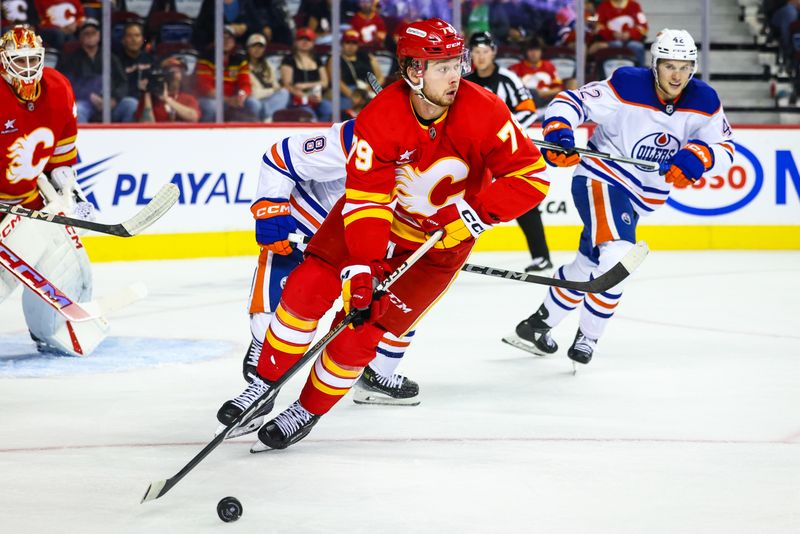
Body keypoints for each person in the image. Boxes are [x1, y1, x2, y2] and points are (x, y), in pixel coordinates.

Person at [217, 18, 550, 452]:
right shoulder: (381, 117)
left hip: (437, 248)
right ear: (414, 72)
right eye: (443, 66)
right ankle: (262, 385)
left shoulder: (485, 109)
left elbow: (530, 178)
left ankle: (308, 409)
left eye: (457, 63)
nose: (456, 76)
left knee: (361, 333)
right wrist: (363, 268)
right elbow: (367, 202)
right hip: (372, 225)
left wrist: (473, 215)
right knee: (304, 290)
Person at [505, 29, 734, 365]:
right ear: (655, 64)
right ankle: (589, 337)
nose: (677, 75)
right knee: (618, 253)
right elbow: (572, 102)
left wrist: (699, 157)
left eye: (685, 67)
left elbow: (726, 148)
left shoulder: (705, 100)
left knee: (589, 264)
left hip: (641, 196)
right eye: (670, 65)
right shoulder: (628, 84)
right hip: (601, 176)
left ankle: (536, 326)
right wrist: (559, 130)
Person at [217, 120, 422, 437]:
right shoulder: (359, 137)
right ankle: (262, 385)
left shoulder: (446, 158)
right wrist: (271, 208)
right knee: (273, 325)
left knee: (396, 302)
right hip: (306, 231)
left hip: (367, 244)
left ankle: (377, 375)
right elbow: (281, 158)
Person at [0, 25, 108, 356]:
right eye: (20, 61)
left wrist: (70, 192)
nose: (29, 68)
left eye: (34, 59)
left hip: (30, 203)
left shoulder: (59, 88)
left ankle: (50, 332)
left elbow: (59, 160)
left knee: (66, 266)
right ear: (4, 62)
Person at [464, 31, 552, 273]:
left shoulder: (507, 78)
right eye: (476, 52)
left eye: (485, 51)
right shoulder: (465, 82)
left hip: (504, 151)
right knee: (466, 200)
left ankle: (541, 256)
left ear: (493, 52)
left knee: (521, 199)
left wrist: (500, 130)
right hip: (474, 155)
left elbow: (528, 109)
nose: (480, 57)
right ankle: (452, 252)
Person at [56, 18, 137, 123]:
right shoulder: (71, 59)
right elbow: (68, 86)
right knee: (78, 110)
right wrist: (88, 96)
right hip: (85, 103)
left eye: (93, 33)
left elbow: (122, 82)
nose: (90, 36)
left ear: (99, 35)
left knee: (131, 104)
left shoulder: (110, 58)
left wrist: (114, 99)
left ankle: (126, 139)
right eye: (86, 33)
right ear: (80, 37)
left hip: (110, 103)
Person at [195, 25, 260, 122]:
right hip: (212, 99)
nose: (226, 41)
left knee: (254, 104)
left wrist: (241, 96)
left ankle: (250, 133)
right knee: (211, 107)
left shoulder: (240, 59)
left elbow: (245, 84)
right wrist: (227, 100)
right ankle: (208, 133)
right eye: (223, 37)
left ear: (234, 41)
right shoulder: (206, 58)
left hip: (234, 99)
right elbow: (205, 89)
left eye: (230, 38)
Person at [280, 27, 331, 122]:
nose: (304, 42)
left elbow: (325, 83)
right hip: (296, 98)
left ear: (312, 43)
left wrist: (304, 85)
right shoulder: (289, 59)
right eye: (301, 39)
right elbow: (287, 85)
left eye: (308, 39)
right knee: (308, 114)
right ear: (296, 42)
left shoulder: (317, 60)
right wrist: (304, 96)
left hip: (316, 97)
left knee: (328, 108)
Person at [326, 29, 384, 111]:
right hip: (347, 93)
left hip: (368, 89)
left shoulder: (367, 56)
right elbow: (336, 81)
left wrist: (374, 88)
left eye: (354, 43)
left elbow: (380, 77)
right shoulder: (335, 59)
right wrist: (354, 96)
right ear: (342, 44)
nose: (351, 46)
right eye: (347, 42)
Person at [135, 56, 200, 123]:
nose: (174, 75)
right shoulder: (150, 99)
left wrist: (167, 99)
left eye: (177, 71)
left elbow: (193, 118)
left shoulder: (188, 98)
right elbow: (146, 127)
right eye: (170, 71)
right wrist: (147, 93)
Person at [245, 32, 290, 122]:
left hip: (268, 101)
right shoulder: (243, 66)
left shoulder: (268, 65)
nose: (257, 49)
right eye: (254, 46)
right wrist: (272, 90)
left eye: (260, 47)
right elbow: (253, 93)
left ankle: (267, 118)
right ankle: (265, 120)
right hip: (254, 100)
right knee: (254, 102)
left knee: (284, 93)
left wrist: (274, 90)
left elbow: (277, 86)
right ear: (248, 48)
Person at [509, 36, 564, 108]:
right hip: (524, 104)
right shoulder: (515, 68)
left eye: (537, 50)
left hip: (546, 104)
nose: (534, 53)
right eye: (531, 50)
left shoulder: (550, 66)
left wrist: (543, 93)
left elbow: (558, 88)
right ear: (525, 51)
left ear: (541, 51)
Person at [595, 0, 649, 66]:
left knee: (637, 46)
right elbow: (598, 26)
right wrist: (612, 33)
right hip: (611, 40)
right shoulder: (603, 6)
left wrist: (630, 34)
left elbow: (643, 26)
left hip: (631, 40)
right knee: (617, 44)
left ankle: (641, 71)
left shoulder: (634, 5)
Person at [117, 21, 153, 103]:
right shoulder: (116, 62)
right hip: (126, 102)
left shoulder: (151, 59)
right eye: (129, 36)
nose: (134, 40)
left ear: (142, 40)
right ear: (123, 40)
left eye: (137, 35)